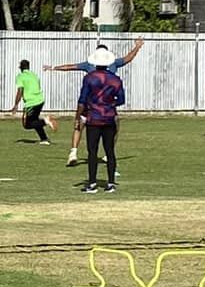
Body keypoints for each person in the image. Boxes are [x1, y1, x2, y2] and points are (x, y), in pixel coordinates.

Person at [51, 36, 144, 166]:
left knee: (79, 126)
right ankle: (108, 153)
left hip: (90, 104)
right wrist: (137, 47)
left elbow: (71, 66)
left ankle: (73, 152)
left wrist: (54, 68)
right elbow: (128, 58)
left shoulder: (88, 66)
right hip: (107, 107)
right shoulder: (114, 65)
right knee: (114, 127)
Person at [75, 45, 126, 194]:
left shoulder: (89, 78)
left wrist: (78, 117)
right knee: (110, 151)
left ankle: (92, 183)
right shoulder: (116, 80)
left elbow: (82, 100)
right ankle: (110, 183)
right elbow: (121, 100)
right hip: (109, 118)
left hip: (94, 119)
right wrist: (110, 104)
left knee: (92, 151)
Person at [9, 59, 51, 143]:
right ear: (28, 67)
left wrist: (16, 105)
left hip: (31, 102)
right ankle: (44, 139)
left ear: (20, 68)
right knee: (35, 120)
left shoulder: (20, 76)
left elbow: (20, 91)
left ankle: (46, 121)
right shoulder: (34, 75)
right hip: (40, 100)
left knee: (27, 124)